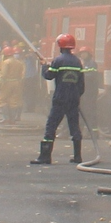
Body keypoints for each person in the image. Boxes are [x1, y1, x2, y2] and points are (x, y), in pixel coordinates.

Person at [31, 34, 90, 165]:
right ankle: (78, 156)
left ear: (60, 46)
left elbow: (49, 76)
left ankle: (45, 156)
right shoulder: (77, 61)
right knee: (74, 126)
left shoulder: (58, 60)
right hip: (73, 99)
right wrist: (76, 96)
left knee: (51, 126)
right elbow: (81, 85)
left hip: (60, 99)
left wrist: (44, 66)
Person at [0, 45, 28, 124]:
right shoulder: (19, 62)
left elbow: (3, 74)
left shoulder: (6, 62)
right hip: (17, 83)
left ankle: (6, 118)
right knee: (14, 101)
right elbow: (21, 74)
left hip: (7, 83)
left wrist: (0, 83)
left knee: (3, 100)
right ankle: (13, 119)